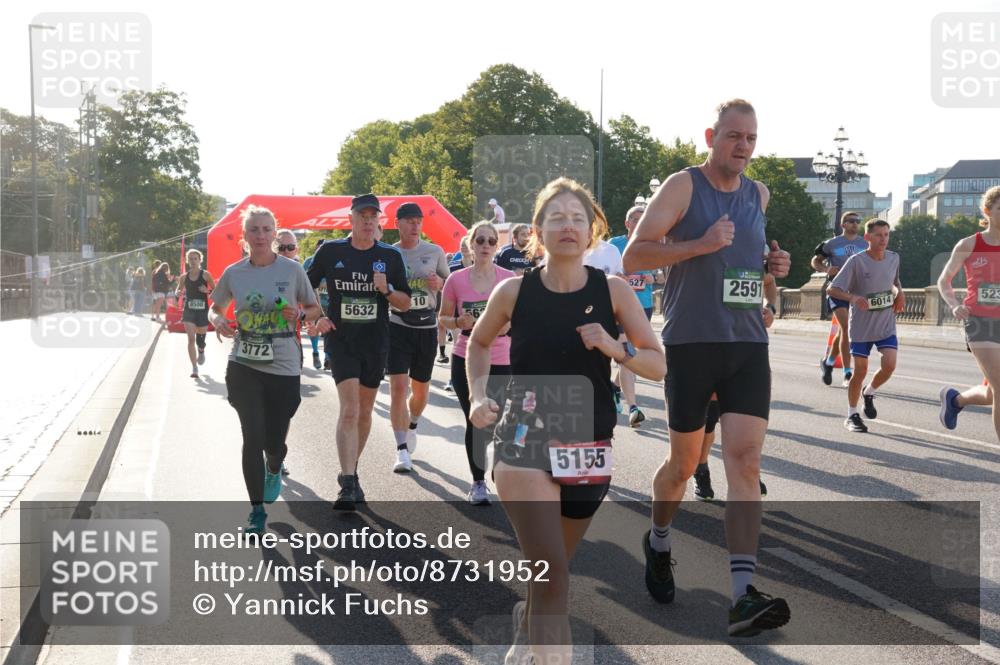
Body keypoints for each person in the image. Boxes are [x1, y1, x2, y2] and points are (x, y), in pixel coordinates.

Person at [470, 178, 665, 665]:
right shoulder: (513, 291)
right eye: (556, 217)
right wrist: (477, 396)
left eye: (578, 217)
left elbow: (658, 364)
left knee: (551, 570)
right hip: (524, 438)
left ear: (592, 229)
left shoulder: (613, 291)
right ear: (537, 229)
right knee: (555, 575)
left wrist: (613, 346)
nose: (568, 226)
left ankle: (525, 628)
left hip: (589, 443)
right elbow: (477, 343)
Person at [622, 99, 792, 636]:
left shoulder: (758, 194)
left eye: (751, 139)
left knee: (745, 463)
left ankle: (742, 595)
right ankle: (659, 538)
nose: (743, 147)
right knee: (683, 463)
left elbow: (747, 262)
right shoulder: (681, 186)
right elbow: (634, 257)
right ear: (710, 136)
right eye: (733, 136)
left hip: (747, 345)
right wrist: (697, 244)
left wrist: (773, 271)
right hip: (693, 344)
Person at [209, 205, 321, 534]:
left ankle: (275, 464)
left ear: (275, 234)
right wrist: (218, 321)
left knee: (274, 441)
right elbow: (216, 308)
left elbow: (314, 309)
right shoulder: (234, 273)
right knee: (251, 436)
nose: (260, 235)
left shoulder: (292, 270)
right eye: (253, 230)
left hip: (284, 363)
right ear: (244, 236)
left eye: (265, 229)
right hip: (244, 361)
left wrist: (299, 316)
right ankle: (256, 511)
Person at [307, 194, 411, 511]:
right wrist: (316, 317)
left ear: (378, 220)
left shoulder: (389, 257)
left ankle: (351, 470)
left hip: (376, 341)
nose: (368, 221)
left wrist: (387, 290)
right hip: (342, 341)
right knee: (350, 409)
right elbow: (304, 286)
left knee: (365, 412)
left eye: (372, 216)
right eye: (362, 215)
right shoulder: (331, 251)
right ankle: (348, 482)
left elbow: (405, 303)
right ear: (351, 218)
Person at [440, 221, 514, 504]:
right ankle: (478, 482)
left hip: (501, 357)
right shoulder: (455, 280)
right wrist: (458, 321)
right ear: (471, 245)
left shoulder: (508, 279)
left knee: (497, 419)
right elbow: (442, 318)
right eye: (480, 240)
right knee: (477, 418)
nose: (485, 246)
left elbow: (521, 318)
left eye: (491, 241)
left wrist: (510, 326)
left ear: (497, 247)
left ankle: (500, 468)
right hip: (466, 356)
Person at [693, 272, 778, 500]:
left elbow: (769, 282)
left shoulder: (754, 248)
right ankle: (701, 469)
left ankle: (747, 470)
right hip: (708, 344)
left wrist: (771, 309)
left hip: (749, 347)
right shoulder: (705, 243)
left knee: (750, 423)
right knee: (708, 423)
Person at [387, 202, 450, 472]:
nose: (415, 225)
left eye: (418, 221)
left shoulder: (434, 251)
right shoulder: (389, 253)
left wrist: (440, 284)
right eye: (409, 220)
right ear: (398, 223)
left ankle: (412, 424)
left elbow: (451, 286)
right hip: (396, 324)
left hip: (425, 327)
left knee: (420, 390)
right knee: (398, 388)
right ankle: (401, 449)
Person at [826, 219, 904, 433]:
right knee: (860, 370)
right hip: (861, 326)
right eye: (879, 235)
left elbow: (894, 282)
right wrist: (852, 298)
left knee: (890, 365)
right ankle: (852, 414)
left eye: (887, 234)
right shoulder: (856, 261)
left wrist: (900, 294)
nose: (884, 239)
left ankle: (869, 392)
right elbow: (832, 290)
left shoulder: (894, 258)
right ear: (868, 238)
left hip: (885, 323)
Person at [937, 185, 1000, 442]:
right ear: (988, 211)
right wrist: (954, 304)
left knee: (992, 392)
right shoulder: (969, 244)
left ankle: (956, 400)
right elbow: (944, 280)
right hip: (979, 322)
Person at [610, 204, 657, 426]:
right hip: (619, 308)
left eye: (643, 218)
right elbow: (601, 271)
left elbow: (664, 276)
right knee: (627, 353)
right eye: (636, 219)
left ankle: (614, 387)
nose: (640, 222)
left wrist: (653, 279)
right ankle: (633, 407)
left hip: (644, 306)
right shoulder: (615, 245)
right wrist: (617, 276)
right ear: (627, 223)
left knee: (630, 354)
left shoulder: (652, 245)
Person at [812, 212, 868, 386]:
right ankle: (847, 373)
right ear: (843, 224)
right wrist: (825, 270)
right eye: (851, 221)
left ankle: (828, 362)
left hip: (857, 291)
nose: (855, 224)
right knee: (846, 327)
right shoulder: (831, 244)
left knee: (845, 331)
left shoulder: (865, 243)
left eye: (857, 221)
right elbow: (815, 260)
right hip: (837, 290)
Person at [176, 249, 216, 378]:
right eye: (191, 259)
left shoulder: (205, 275)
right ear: (187, 261)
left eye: (195, 259)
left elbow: (216, 291)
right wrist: (178, 293)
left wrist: (207, 291)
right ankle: (194, 368)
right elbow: (179, 289)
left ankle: (201, 349)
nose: (193, 261)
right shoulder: (184, 277)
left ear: (200, 260)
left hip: (202, 310)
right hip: (189, 310)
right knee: (191, 339)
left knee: (200, 339)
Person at [302, 239, 329, 371]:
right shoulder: (308, 261)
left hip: (329, 303)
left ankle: (327, 357)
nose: (322, 251)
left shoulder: (333, 259)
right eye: (320, 248)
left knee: (329, 329)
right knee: (314, 329)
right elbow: (303, 281)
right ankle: (315, 352)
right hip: (313, 302)